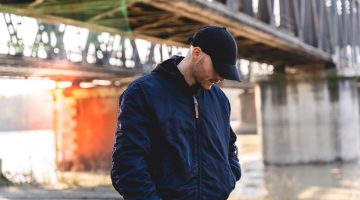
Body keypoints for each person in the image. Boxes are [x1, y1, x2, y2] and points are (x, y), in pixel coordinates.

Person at [111, 26, 241, 200]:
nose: (221, 77)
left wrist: (229, 178)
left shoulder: (219, 99)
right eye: (218, 68)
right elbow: (127, 165)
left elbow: (229, 147)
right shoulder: (143, 93)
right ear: (196, 53)